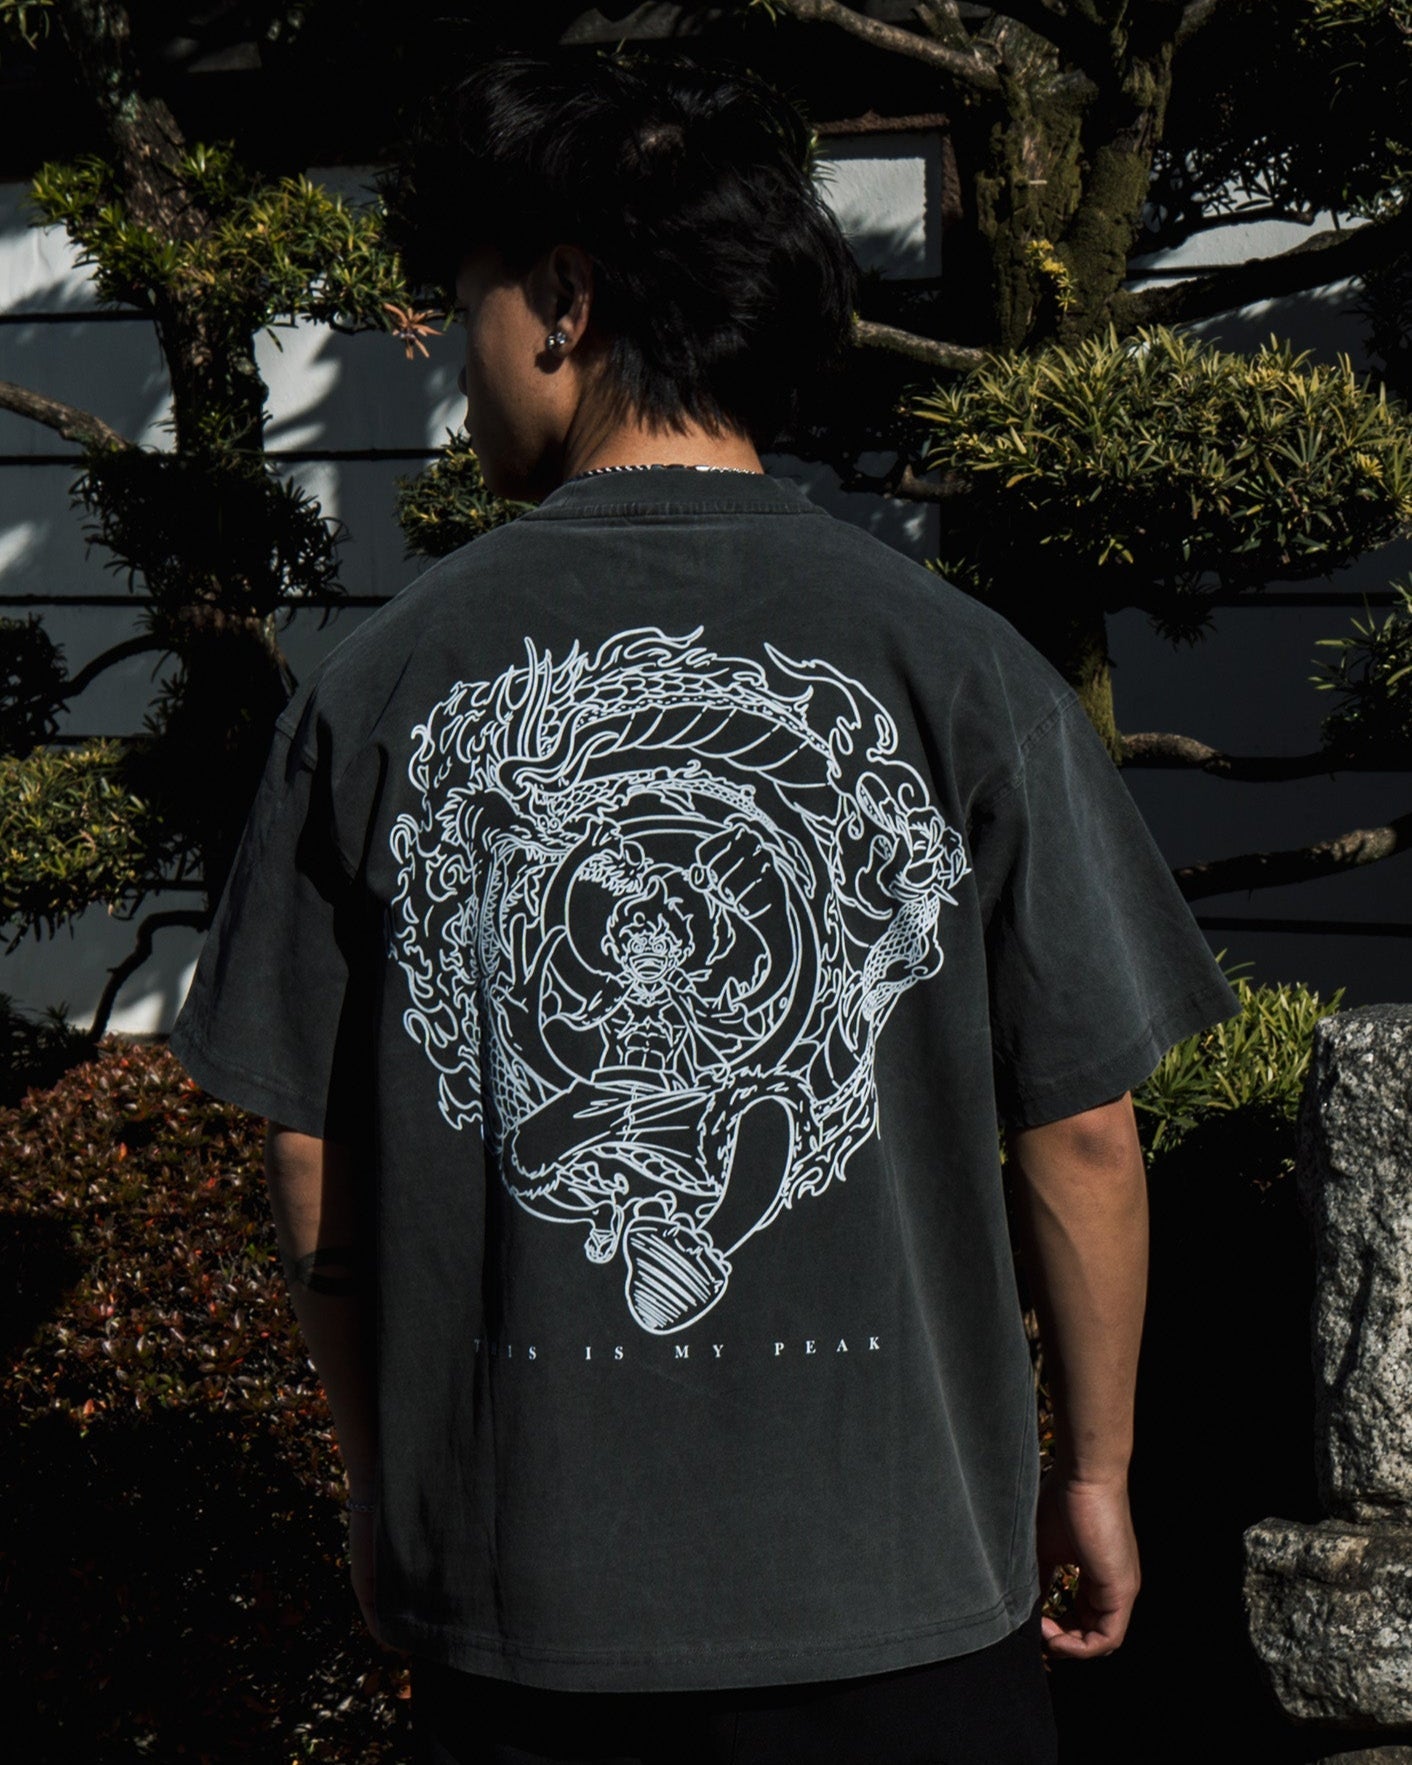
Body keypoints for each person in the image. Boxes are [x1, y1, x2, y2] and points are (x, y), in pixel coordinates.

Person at [166, 46, 1241, 1765]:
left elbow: (313, 1149)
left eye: (464, 302)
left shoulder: (376, 690)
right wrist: (1096, 1470)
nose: (454, 364)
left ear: (563, 300)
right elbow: (1089, 1131)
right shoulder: (964, 670)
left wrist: (383, 1489)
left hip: (528, 1621)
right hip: (906, 1603)